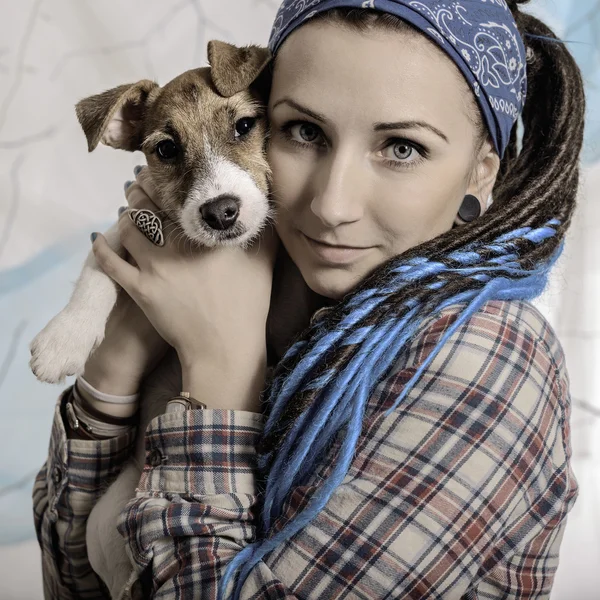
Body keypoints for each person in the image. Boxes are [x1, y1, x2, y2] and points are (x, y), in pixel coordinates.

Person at [32, 0, 585, 598]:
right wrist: (114, 366)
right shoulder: (278, 282)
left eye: (401, 147)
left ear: (480, 174)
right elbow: (76, 580)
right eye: (304, 131)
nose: (331, 205)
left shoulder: (490, 358)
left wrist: (223, 361)